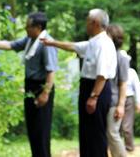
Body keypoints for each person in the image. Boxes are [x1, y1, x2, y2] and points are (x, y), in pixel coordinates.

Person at [41, 8, 117, 157]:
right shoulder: (93, 42)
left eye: (87, 21)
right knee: (86, 132)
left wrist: (94, 97)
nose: (85, 25)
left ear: (94, 23)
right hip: (88, 87)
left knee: (96, 133)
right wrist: (52, 43)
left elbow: (102, 75)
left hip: (97, 89)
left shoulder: (104, 44)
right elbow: (73, 46)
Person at [0, 12, 58, 157]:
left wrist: (45, 93)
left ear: (38, 27)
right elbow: (9, 45)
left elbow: (51, 71)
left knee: (41, 131)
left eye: (28, 26)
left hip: (42, 87)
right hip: (30, 86)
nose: (25, 28)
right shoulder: (30, 40)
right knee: (32, 129)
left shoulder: (46, 43)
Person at [106, 25, 129, 157]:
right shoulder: (106, 55)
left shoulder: (121, 58)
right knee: (107, 134)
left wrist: (120, 105)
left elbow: (123, 83)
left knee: (113, 133)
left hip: (114, 102)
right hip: (105, 101)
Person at [121, 63, 140, 152]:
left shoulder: (131, 72)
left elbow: (138, 87)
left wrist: (139, 102)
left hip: (128, 99)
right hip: (115, 98)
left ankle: (129, 148)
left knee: (127, 126)